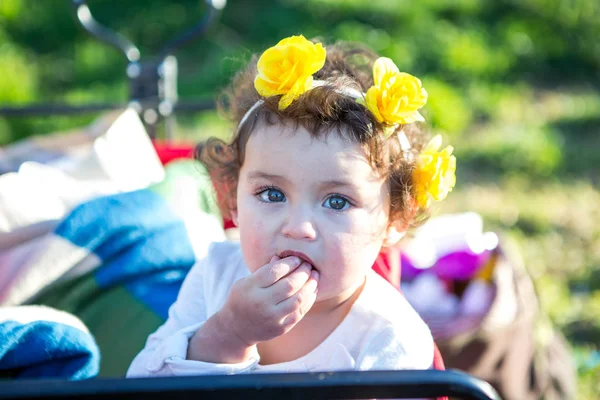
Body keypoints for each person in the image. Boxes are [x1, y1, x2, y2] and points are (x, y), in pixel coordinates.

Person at [127, 35, 456, 377]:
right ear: (233, 200)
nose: (298, 227)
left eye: (337, 201)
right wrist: (226, 336)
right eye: (271, 194)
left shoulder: (390, 339)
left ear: (395, 221)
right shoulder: (216, 276)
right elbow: (140, 383)